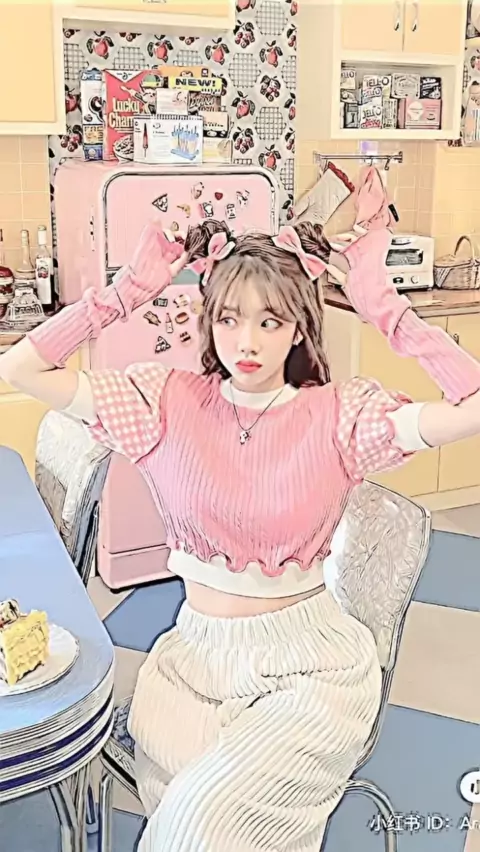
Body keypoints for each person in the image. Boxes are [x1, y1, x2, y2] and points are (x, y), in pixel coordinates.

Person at [2, 219, 480, 852]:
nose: (246, 342)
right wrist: (126, 291)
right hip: (192, 666)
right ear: (208, 321)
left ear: (299, 328)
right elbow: (23, 366)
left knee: (195, 828)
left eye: (270, 321)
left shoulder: (342, 416)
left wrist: (382, 305)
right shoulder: (160, 403)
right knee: (188, 825)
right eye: (228, 319)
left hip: (310, 669)